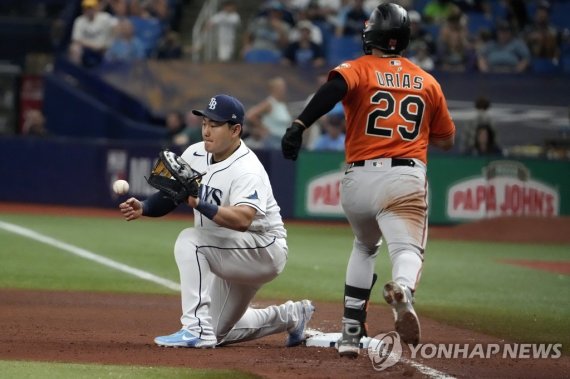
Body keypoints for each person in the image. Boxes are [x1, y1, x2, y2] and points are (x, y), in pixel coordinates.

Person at [281, 3, 455, 357]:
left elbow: (332, 91)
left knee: (364, 247)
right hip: (404, 175)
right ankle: (403, 289)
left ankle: (349, 333)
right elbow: (447, 139)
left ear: (370, 35)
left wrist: (300, 125)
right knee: (406, 250)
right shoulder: (428, 81)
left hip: (357, 179)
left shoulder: (359, 68)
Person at [119, 94, 314, 348]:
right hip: (225, 248)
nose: (207, 130)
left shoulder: (247, 169)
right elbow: (172, 195)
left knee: (190, 241)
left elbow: (244, 219)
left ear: (235, 130)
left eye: (215, 125)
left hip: (262, 249)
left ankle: (195, 329)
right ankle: (291, 315)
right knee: (219, 332)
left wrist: (200, 202)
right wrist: (144, 207)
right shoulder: (195, 153)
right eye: (204, 123)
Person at [245, 76, 292, 149]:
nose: (284, 89)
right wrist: (263, 128)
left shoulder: (281, 104)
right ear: (274, 89)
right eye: (281, 87)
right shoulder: (269, 103)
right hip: (272, 141)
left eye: (284, 86)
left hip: (282, 140)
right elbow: (250, 115)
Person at [69, 0, 118, 68]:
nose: (89, 10)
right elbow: (76, 40)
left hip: (103, 50)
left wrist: (109, 43)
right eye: (86, 8)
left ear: (96, 8)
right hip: (87, 50)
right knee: (74, 48)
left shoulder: (104, 17)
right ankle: (75, 71)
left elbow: (116, 27)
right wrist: (94, 47)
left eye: (91, 8)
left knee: (114, 49)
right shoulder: (79, 20)